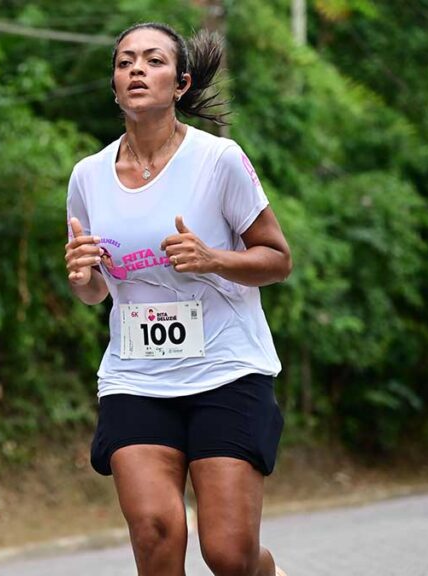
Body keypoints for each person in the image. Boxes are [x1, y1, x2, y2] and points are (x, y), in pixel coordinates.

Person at [65, 23, 291, 576]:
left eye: (152, 60)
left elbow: (277, 259)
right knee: (156, 532)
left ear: (181, 83)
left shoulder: (219, 160)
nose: (136, 70)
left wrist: (214, 258)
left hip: (225, 368)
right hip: (136, 374)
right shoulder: (88, 177)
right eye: (124, 63)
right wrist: (82, 277)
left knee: (229, 554)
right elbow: (97, 293)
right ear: (115, 86)